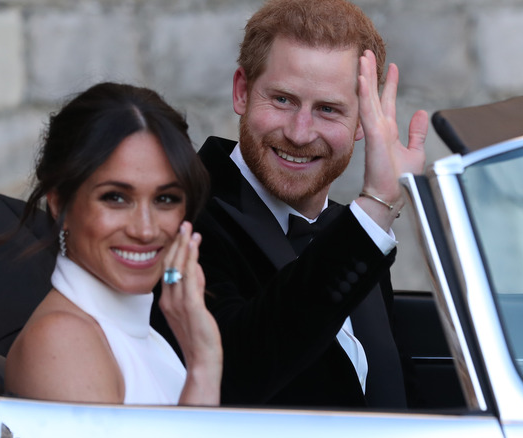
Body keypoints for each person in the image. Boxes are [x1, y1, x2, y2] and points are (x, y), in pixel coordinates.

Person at [151, 0, 428, 408]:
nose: (300, 133)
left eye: (328, 110)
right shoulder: (180, 215)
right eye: (282, 100)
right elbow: (233, 374)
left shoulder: (349, 230)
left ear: (360, 124)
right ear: (242, 92)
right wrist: (376, 209)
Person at [5, 82, 222, 406]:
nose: (145, 230)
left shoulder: (146, 336)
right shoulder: (63, 341)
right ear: (58, 203)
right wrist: (204, 368)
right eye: (116, 198)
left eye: (165, 199)